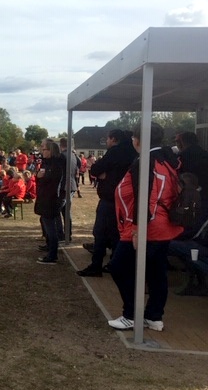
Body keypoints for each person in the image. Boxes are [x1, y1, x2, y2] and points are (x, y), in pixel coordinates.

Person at [107, 122, 183, 332]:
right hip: (164, 225)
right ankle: (154, 316)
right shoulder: (167, 159)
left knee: (119, 266)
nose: (132, 141)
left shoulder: (145, 162)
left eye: (134, 138)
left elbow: (145, 196)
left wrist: (137, 228)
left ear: (139, 140)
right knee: (157, 272)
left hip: (147, 227)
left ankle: (131, 314)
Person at [77, 129, 137, 277]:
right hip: (128, 200)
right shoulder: (135, 153)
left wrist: (105, 174)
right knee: (118, 234)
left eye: (108, 140)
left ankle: (96, 265)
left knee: (100, 232)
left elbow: (96, 169)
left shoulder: (115, 151)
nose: (107, 142)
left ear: (114, 139)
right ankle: (115, 264)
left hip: (110, 199)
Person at [35, 140, 65, 264]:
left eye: (44, 149)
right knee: (48, 226)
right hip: (47, 198)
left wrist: (41, 177)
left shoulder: (55, 165)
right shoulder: (49, 163)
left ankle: (52, 255)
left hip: (50, 200)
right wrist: (39, 177)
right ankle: (50, 250)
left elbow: (51, 183)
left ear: (50, 150)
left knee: (51, 228)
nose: (42, 151)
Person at [175, 131, 208, 232]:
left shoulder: (180, 159)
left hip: (188, 199)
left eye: (177, 141)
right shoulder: (205, 154)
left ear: (181, 142)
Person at [169, 218, 208, 296]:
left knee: (166, 244)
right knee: (186, 254)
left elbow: (196, 232)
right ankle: (199, 283)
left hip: (202, 246)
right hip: (199, 244)